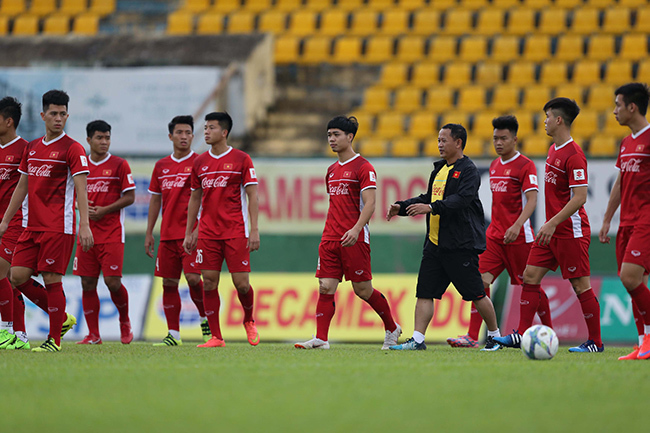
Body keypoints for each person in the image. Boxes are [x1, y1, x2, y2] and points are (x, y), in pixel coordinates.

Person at [495, 97, 603, 353]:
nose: (543, 121)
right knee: (529, 277)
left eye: (546, 117)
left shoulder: (574, 154)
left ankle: (596, 343)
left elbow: (580, 197)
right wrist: (550, 225)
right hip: (550, 230)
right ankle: (521, 335)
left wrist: (552, 223)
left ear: (558, 120)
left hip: (570, 231)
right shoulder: (553, 149)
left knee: (580, 285)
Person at [387, 123, 502, 351]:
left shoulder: (468, 170)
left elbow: (462, 199)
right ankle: (418, 340)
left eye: (443, 140)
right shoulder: (439, 170)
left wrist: (431, 207)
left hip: (459, 245)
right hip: (435, 244)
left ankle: (495, 336)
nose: (439, 144)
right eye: (438, 140)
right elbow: (428, 196)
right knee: (425, 292)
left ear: (458, 143)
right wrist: (401, 207)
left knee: (477, 294)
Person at [294, 115, 401, 350]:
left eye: (336, 135)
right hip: (331, 236)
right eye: (329, 135)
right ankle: (321, 339)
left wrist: (356, 228)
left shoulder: (364, 167)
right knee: (325, 287)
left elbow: (370, 204)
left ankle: (392, 328)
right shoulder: (331, 170)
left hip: (355, 237)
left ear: (350, 137)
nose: (331, 139)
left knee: (362, 290)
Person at [447, 116, 552, 349]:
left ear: (514, 139)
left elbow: (533, 200)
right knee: (480, 281)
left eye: (503, 138)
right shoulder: (494, 165)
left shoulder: (525, 165)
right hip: (494, 237)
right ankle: (473, 336)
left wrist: (517, 225)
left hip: (520, 237)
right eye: (495, 138)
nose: (498, 142)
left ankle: (549, 330)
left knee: (530, 284)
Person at [0, 90, 92, 352]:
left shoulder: (73, 148)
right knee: (16, 276)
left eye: (63, 114)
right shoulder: (33, 147)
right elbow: (21, 187)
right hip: (31, 226)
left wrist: (84, 224)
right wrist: (6, 221)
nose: (58, 118)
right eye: (53, 113)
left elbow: (82, 189)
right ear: (43, 115)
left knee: (52, 278)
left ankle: (54, 340)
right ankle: (60, 318)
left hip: (58, 226)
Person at [183, 111, 260, 348]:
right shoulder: (199, 162)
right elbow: (195, 198)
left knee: (242, 284)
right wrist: (190, 231)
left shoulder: (241, 159)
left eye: (211, 128)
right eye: (205, 127)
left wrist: (254, 229)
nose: (206, 131)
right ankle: (216, 337)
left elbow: (252, 195)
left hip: (236, 230)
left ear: (224, 132)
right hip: (207, 233)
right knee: (208, 282)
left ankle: (248, 320)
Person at [145, 115, 210, 346]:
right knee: (168, 283)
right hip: (167, 236)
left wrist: (197, 230)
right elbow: (154, 201)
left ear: (193, 136)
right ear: (171, 136)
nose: (184, 137)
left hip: (191, 234)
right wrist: (149, 232)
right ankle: (174, 334)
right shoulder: (161, 166)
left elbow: (208, 200)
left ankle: (206, 321)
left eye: (188, 133)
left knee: (193, 279)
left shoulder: (201, 162)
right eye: (179, 133)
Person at [599, 83, 650, 360]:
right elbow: (620, 182)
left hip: (646, 220)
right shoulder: (627, 142)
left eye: (618, 105)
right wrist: (607, 218)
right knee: (634, 283)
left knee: (629, 278)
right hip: (627, 222)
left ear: (632, 107)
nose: (615, 111)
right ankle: (642, 342)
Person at [73, 120, 135, 345]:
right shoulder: (80, 166)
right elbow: (71, 197)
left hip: (111, 233)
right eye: (99, 138)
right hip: (87, 233)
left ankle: (125, 320)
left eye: (107, 137)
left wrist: (104, 210)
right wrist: (81, 207)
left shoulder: (119, 165)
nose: (104, 142)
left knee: (112, 282)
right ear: (88, 140)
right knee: (87, 283)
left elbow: (130, 197)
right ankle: (93, 334)